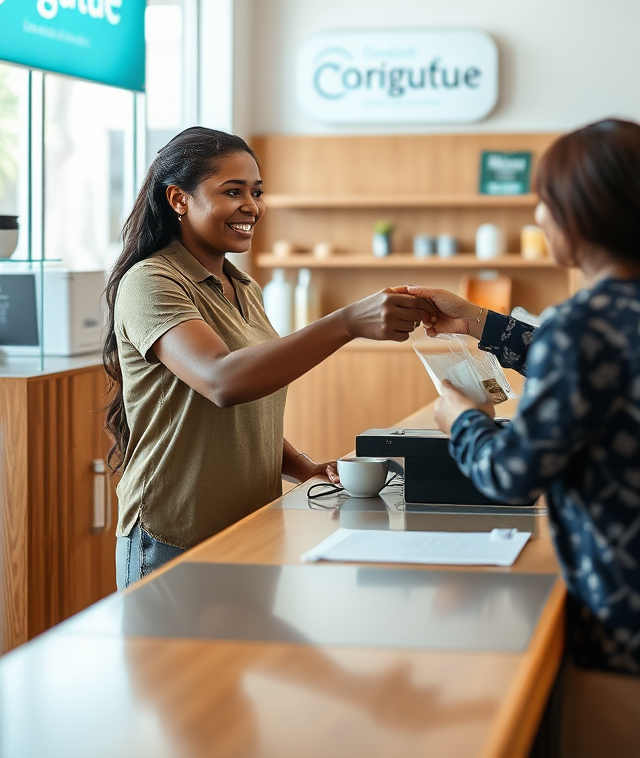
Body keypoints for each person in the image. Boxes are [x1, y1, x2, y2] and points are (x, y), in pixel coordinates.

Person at [408, 119, 640, 758]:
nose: (538, 215)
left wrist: (461, 419)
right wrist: (478, 322)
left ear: (578, 212)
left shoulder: (583, 321)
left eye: (544, 200)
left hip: (632, 633)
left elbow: (512, 475)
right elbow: (585, 370)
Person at [104, 127, 433, 589]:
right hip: (173, 533)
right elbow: (222, 381)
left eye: (256, 192)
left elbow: (245, 410)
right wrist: (346, 323)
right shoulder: (151, 282)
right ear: (179, 199)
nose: (252, 207)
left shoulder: (244, 288)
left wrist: (303, 467)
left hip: (250, 526)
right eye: (232, 191)